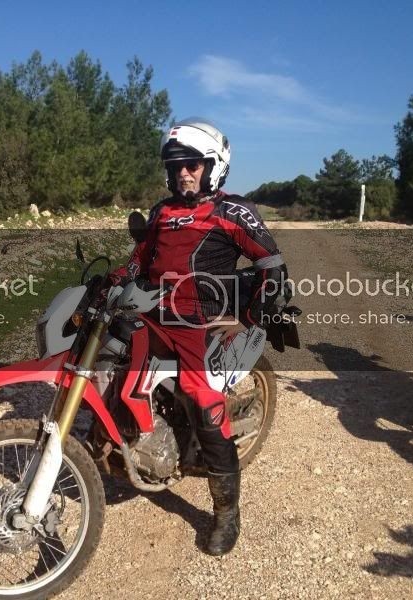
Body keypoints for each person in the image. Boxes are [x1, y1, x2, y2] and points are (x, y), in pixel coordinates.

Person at [113, 117, 288, 555]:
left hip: (198, 322)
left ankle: (227, 514)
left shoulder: (232, 211)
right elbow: (139, 259)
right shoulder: (161, 212)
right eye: (176, 166)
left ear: (213, 166)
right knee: (110, 358)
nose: (183, 173)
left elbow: (271, 264)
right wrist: (112, 281)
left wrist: (252, 314)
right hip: (153, 312)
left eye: (192, 164)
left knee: (203, 400)